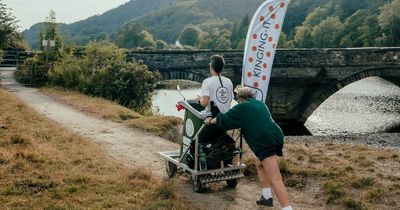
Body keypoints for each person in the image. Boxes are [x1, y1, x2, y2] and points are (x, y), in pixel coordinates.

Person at [205, 87, 292, 210]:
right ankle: (266, 197)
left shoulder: (242, 107)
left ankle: (287, 208)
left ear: (240, 99)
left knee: (276, 178)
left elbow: (223, 118)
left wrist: (210, 121)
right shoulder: (260, 104)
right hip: (276, 137)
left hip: (264, 142)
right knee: (259, 163)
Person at [196, 54, 234, 147]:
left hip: (212, 120)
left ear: (211, 66)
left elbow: (204, 103)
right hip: (225, 120)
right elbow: (229, 99)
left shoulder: (207, 81)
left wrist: (199, 100)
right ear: (222, 67)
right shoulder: (229, 81)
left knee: (198, 141)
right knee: (216, 143)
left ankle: (201, 160)